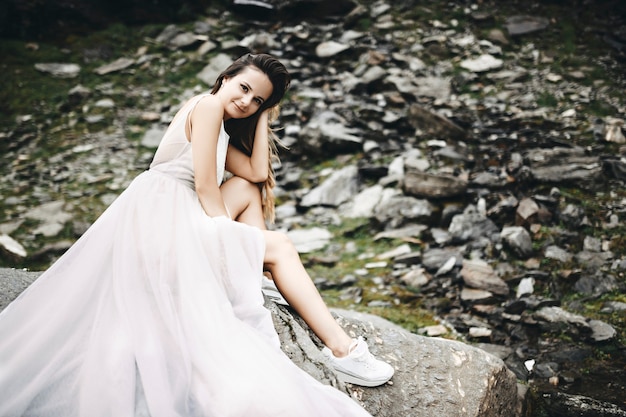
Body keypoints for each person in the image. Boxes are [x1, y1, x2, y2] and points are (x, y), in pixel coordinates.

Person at [0, 53, 393, 417]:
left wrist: (263, 119)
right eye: (243, 89)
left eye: (257, 101)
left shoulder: (220, 123)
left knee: (247, 187)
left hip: (172, 217)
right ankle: (342, 350)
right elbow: (205, 186)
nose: (246, 102)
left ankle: (257, 271)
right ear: (224, 79)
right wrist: (228, 240)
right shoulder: (205, 106)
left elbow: (256, 173)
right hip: (165, 219)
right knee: (282, 245)